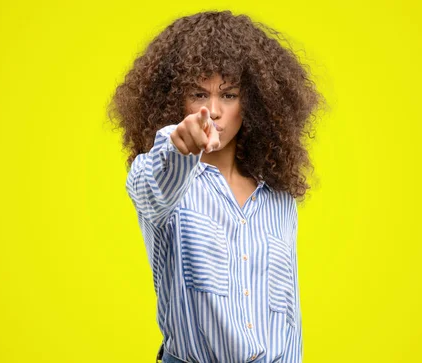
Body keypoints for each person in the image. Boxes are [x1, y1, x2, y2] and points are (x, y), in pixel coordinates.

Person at [108, 10, 326, 363]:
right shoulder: (161, 179)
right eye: (198, 93)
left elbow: (289, 320)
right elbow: (155, 183)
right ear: (173, 99)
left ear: (253, 102)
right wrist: (179, 145)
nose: (213, 111)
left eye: (228, 95)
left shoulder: (277, 197)